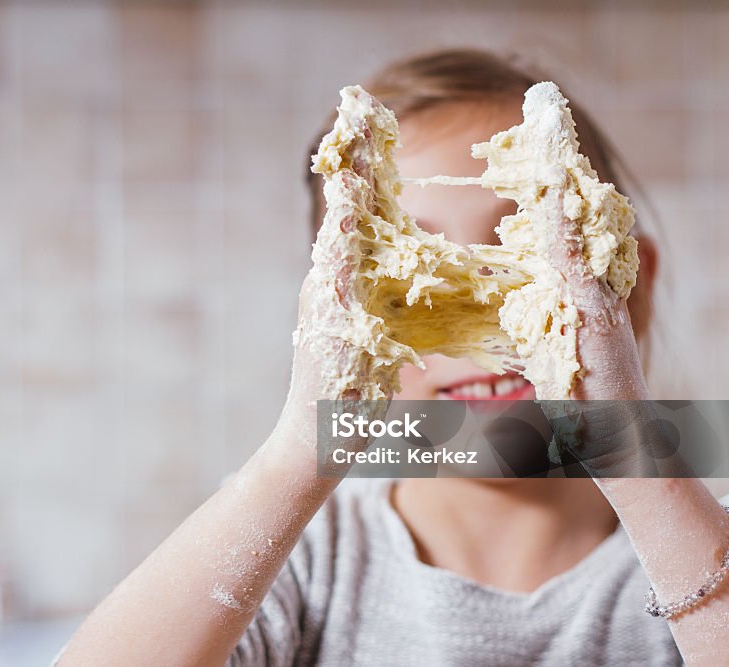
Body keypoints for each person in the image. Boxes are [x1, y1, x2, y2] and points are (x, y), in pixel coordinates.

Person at [57, 50, 729, 666]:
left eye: (523, 254)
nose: (488, 318)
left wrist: (639, 455)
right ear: (337, 321)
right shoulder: (305, 563)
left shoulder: (699, 536)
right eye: (414, 272)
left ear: (630, 288)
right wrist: (298, 452)